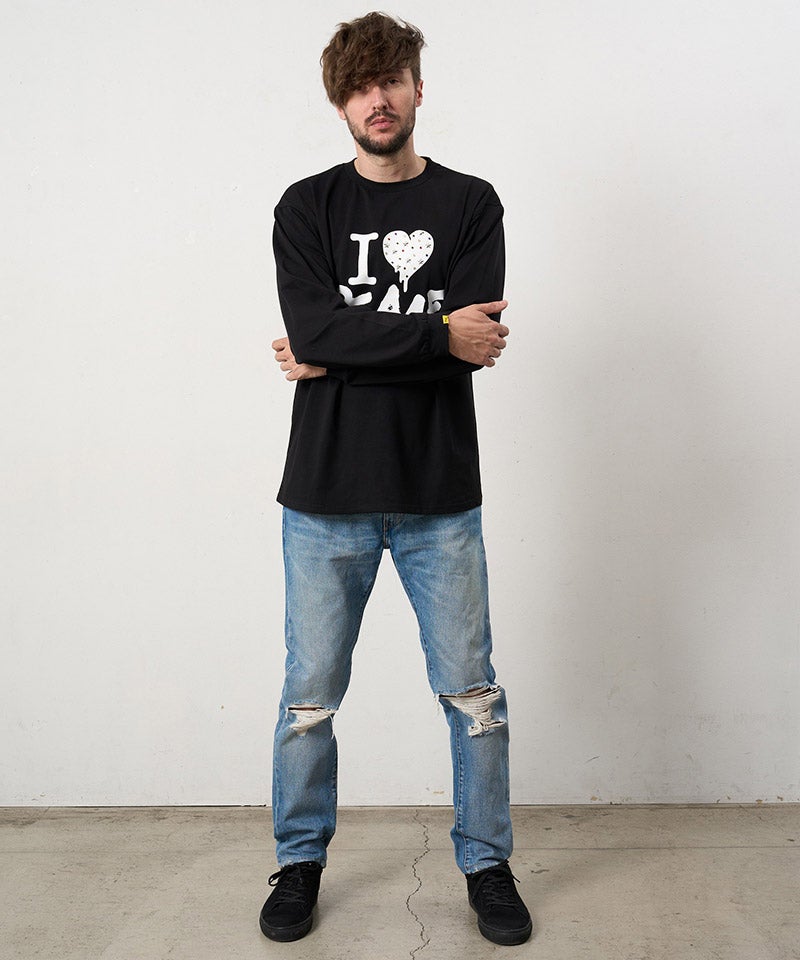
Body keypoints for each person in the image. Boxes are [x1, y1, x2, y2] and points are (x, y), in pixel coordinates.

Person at [259, 11, 532, 947]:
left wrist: (338, 352)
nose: (377, 99)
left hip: (438, 496)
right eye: (359, 86)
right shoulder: (306, 208)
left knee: (474, 697)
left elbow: (474, 343)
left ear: (418, 87)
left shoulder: (471, 204)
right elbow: (341, 329)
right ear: (340, 102)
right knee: (308, 702)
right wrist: (429, 335)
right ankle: (299, 862)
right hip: (324, 496)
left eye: (391, 80)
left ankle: (487, 865)